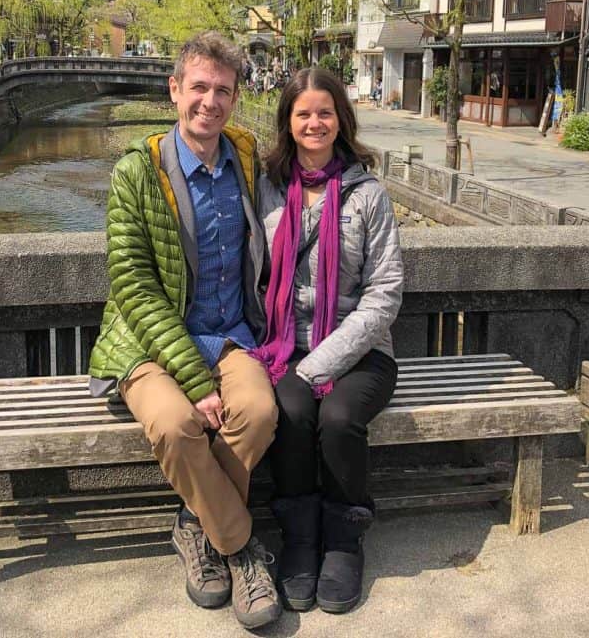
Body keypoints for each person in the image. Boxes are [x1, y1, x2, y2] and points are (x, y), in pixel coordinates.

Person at [87, 31, 281, 630]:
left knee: (259, 412)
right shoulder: (137, 173)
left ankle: (195, 526)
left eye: (223, 90)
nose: (210, 101)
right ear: (174, 90)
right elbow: (135, 287)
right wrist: (196, 381)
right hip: (146, 342)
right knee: (174, 423)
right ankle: (242, 548)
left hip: (230, 334)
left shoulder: (246, 158)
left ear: (235, 97)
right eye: (199, 87)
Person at [254, 66, 403, 615]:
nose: (314, 122)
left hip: (362, 350)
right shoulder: (269, 189)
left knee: (339, 418)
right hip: (283, 346)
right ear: (287, 123)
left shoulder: (368, 195)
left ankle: (344, 537)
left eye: (325, 112)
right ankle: (298, 535)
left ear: (341, 118)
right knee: (290, 415)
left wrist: (322, 361)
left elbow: (385, 293)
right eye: (303, 113)